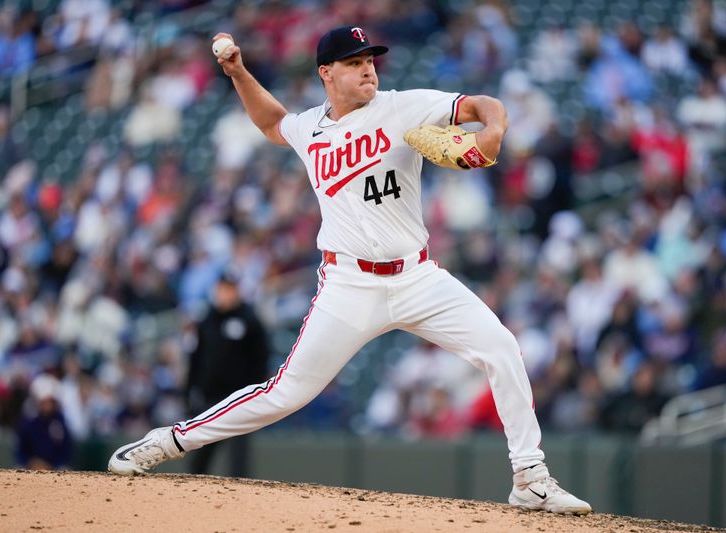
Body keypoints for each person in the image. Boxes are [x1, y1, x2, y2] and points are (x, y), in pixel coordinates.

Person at [108, 25, 592, 515]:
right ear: (327, 73)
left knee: (502, 347)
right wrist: (237, 73)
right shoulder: (309, 129)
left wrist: (492, 132)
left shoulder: (401, 105)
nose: (368, 68)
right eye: (356, 62)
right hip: (349, 284)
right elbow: (273, 123)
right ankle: (168, 441)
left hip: (417, 276)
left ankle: (530, 477)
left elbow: (484, 103)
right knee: (286, 393)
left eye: (371, 59)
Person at [184, 272, 269, 475]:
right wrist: (188, 391)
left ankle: (239, 501)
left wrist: (256, 393)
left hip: (239, 398)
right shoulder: (207, 320)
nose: (225, 293)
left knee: (238, 458)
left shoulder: (249, 320)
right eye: (222, 288)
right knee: (201, 452)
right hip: (210, 397)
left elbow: (261, 358)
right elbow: (196, 360)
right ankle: (190, 496)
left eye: (230, 288)